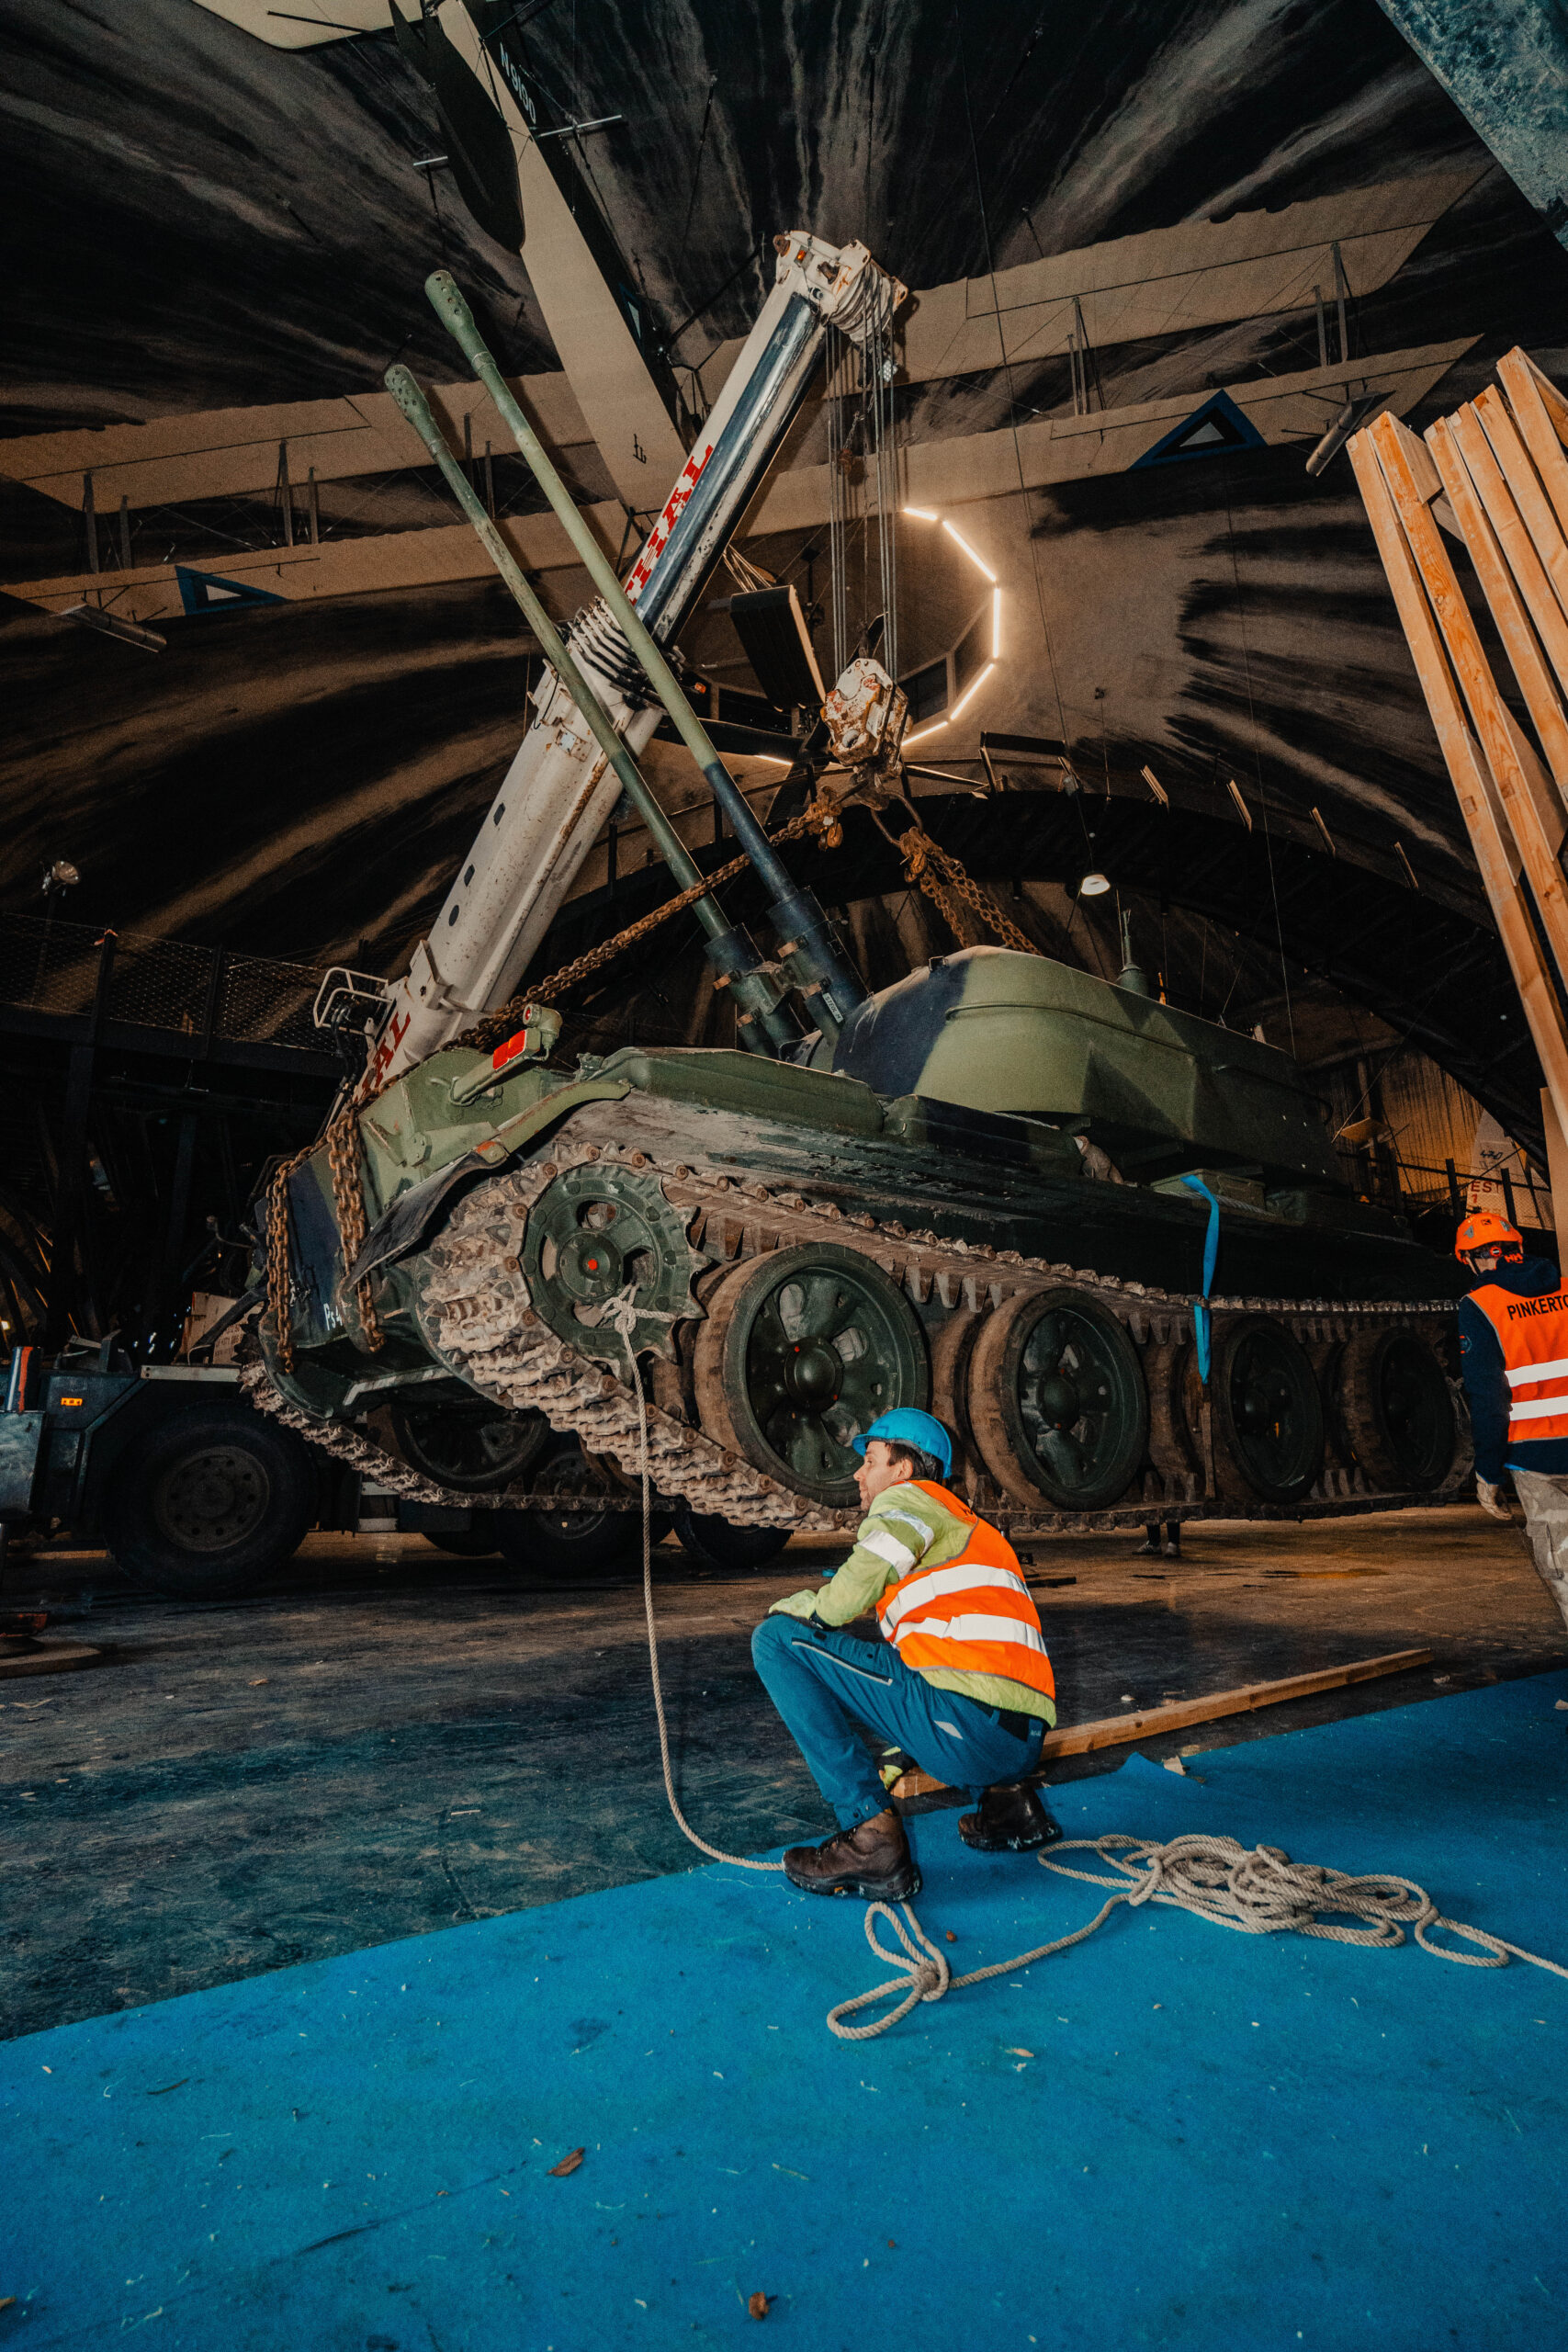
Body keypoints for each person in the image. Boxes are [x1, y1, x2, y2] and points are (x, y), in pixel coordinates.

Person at [750, 1408, 1062, 1902]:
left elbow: (853, 1588)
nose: (859, 1474)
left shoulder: (909, 1500)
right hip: (1021, 1745)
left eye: (870, 1460)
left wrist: (808, 1608)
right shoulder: (971, 1528)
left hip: (969, 1732)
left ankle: (870, 1837)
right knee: (905, 1667)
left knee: (775, 1641)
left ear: (903, 1469)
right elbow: (955, 1663)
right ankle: (1010, 1809)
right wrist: (904, 1746)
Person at [1455, 1209, 1568, 1630]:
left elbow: (1489, 1398)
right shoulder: (1567, 1289)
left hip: (1536, 1461)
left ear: (1471, 1259)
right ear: (1518, 1247)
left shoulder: (1480, 1307)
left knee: (1564, 1568)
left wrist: (1488, 1472)